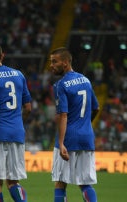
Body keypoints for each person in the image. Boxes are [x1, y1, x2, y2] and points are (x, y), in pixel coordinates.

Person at [50, 47, 99, 202]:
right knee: (85, 184)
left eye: (54, 61)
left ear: (65, 63)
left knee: (60, 183)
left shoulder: (61, 85)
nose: (51, 65)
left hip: (69, 138)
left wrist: (61, 142)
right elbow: (96, 108)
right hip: (86, 137)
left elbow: (63, 115)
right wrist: (84, 124)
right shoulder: (86, 80)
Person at [0, 44, 32, 202]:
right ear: (2, 56)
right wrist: (18, 121)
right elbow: (28, 107)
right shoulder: (19, 75)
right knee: (13, 181)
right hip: (17, 132)